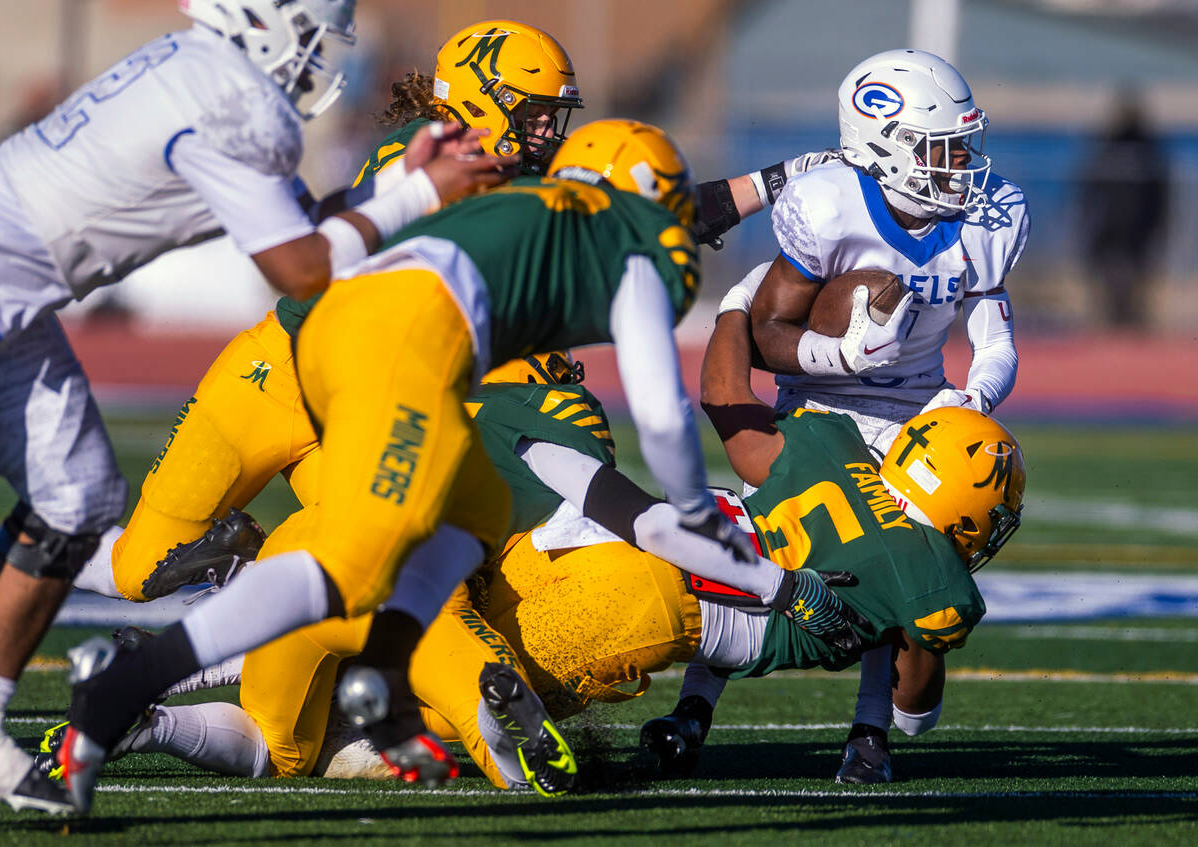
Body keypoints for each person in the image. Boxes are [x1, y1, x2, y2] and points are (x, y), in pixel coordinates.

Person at [58, 118, 806, 814]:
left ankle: (382, 678)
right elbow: (663, 414)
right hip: (399, 358)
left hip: (343, 336)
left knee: (465, 523)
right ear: (652, 194)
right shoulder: (632, 244)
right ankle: (146, 673)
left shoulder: (516, 200)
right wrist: (691, 507)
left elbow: (348, 232)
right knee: (359, 563)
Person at [0, 0, 504, 815]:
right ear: (266, 23)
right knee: (74, 506)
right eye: (312, 36)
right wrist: (415, 196)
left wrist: (402, 183)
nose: (315, 59)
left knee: (78, 502)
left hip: (17, 290)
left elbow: (302, 226)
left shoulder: (199, 70)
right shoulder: (238, 100)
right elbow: (303, 267)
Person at [71, 18, 584, 606]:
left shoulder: (517, 180)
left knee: (379, 566)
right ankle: (64, 548)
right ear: (480, 97)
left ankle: (265, 594)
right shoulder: (423, 154)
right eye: (533, 110)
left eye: (552, 114)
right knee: (138, 573)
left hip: (355, 407)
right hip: (275, 380)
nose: (546, 129)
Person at [646, 47, 1030, 785]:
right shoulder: (829, 203)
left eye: (961, 146)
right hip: (823, 403)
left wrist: (974, 399)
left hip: (922, 411)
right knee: (774, 543)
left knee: (897, 565)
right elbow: (767, 334)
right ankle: (695, 706)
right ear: (884, 145)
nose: (959, 165)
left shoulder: (990, 217)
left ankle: (869, 731)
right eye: (941, 147)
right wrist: (840, 355)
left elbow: (996, 335)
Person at [1078, 90, 1170, 329]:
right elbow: (1090, 187)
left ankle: (1131, 320)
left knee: (1136, 276)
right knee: (1113, 275)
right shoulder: (1107, 144)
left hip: (1137, 225)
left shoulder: (1149, 147)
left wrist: (1159, 221)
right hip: (1111, 224)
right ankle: (1114, 320)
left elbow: (1160, 192)